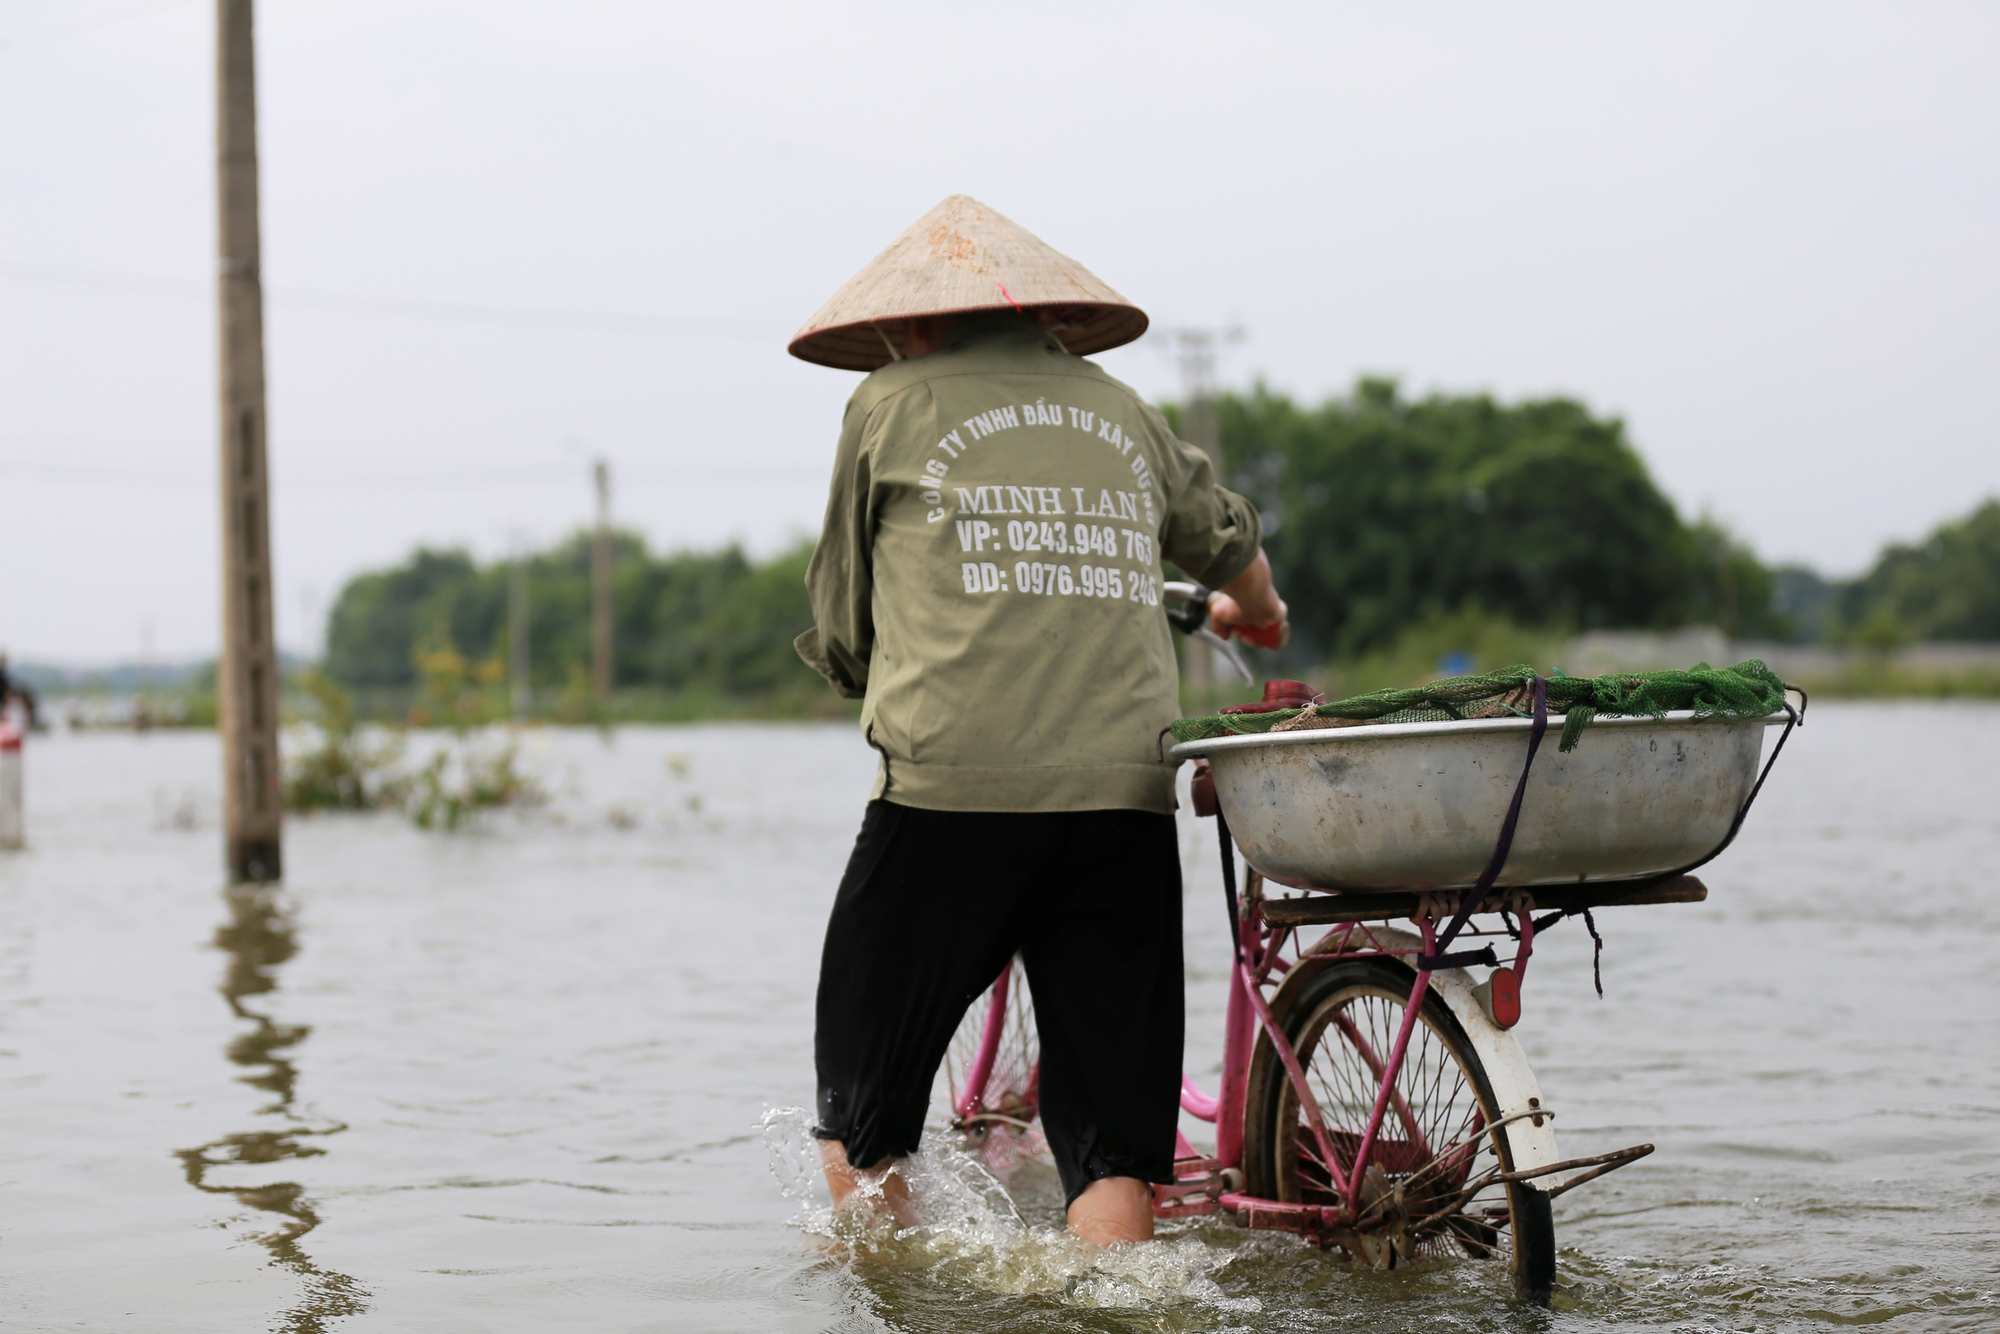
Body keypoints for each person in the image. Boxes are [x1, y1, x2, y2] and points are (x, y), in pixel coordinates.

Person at [791, 196, 1288, 1246]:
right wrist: (1262, 610)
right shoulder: (1119, 408)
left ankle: (890, 1291)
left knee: (860, 1103)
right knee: (1113, 1146)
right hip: (1121, 793)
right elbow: (1225, 540)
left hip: (946, 794)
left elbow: (842, 616)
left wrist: (861, 672)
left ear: (913, 324)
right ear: (1048, 321)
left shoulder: (888, 403)